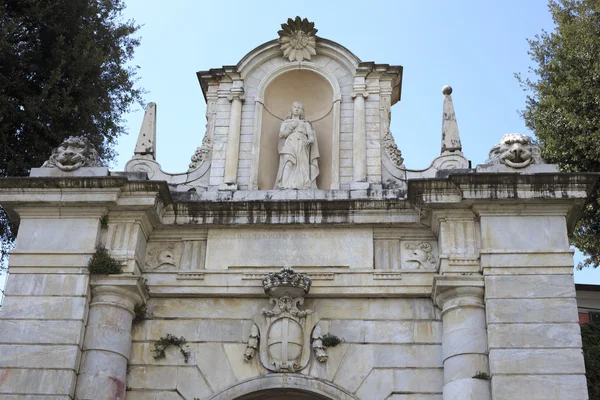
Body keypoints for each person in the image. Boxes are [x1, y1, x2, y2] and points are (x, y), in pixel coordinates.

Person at [274, 101, 320, 189]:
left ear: (302, 111)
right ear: (291, 109)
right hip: (290, 143)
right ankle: (284, 184)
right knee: (288, 160)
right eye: (295, 107)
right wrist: (291, 126)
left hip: (302, 145)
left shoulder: (305, 123)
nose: (297, 109)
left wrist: (309, 140)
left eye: (299, 108)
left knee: (303, 165)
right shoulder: (286, 122)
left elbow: (311, 136)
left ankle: (302, 185)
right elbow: (281, 135)